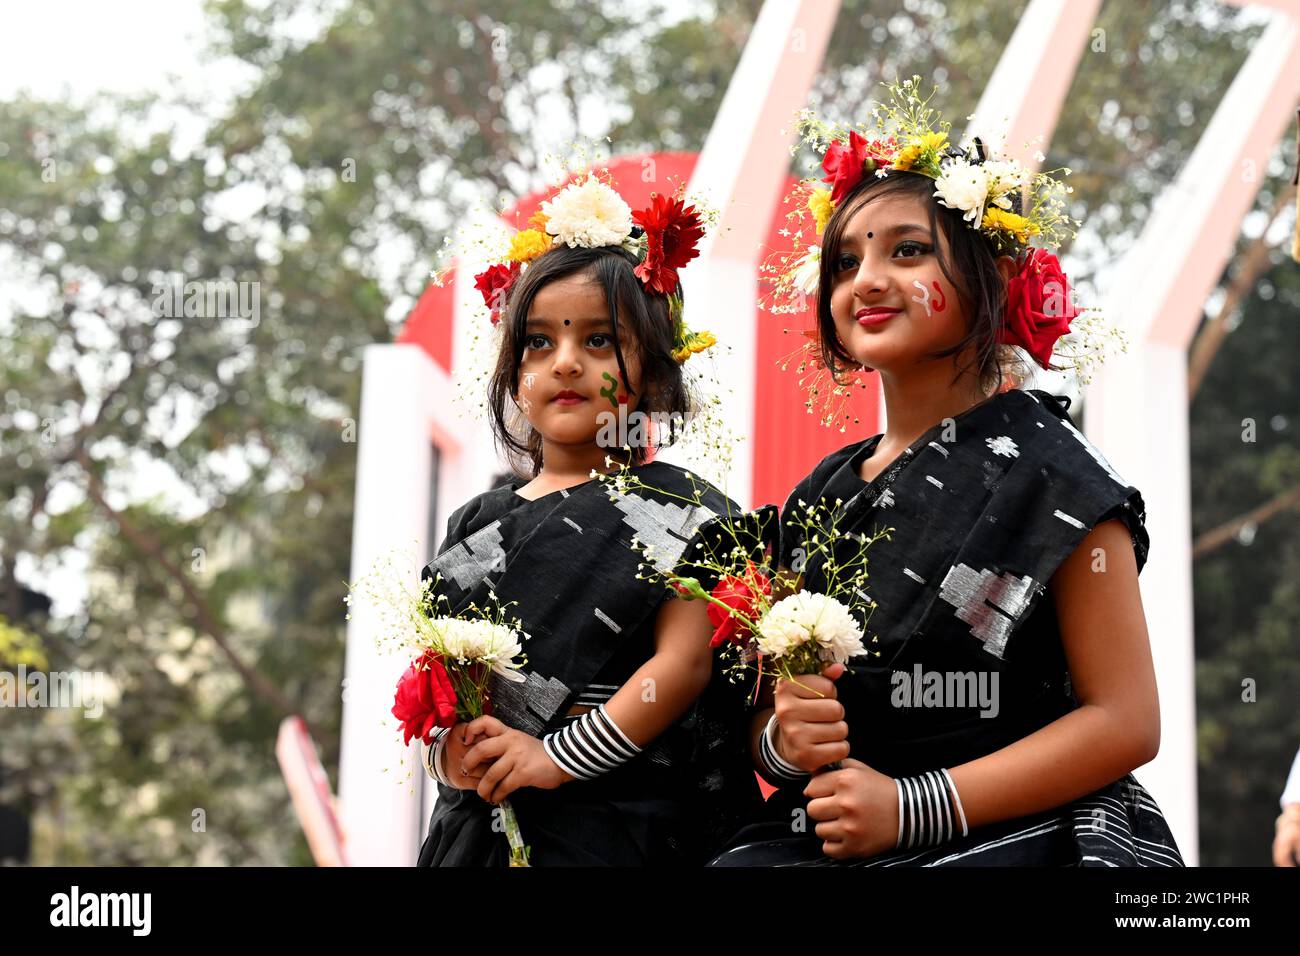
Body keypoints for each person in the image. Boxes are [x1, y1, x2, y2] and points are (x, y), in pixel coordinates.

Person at [712, 77, 1183, 866]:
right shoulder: (819, 499)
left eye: (908, 250)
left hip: (1016, 833)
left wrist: (914, 808)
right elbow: (766, 728)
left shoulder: (1057, 477)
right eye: (845, 261)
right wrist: (788, 744)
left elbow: (1128, 722)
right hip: (834, 832)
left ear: (991, 278)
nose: (865, 280)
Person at [416, 175, 760, 866]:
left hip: (623, 829)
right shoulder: (474, 523)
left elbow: (684, 665)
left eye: (599, 341)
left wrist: (553, 758)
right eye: (539, 343)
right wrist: (449, 760)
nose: (566, 361)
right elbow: (441, 691)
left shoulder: (685, 508)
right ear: (514, 374)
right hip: (481, 833)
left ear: (656, 374)